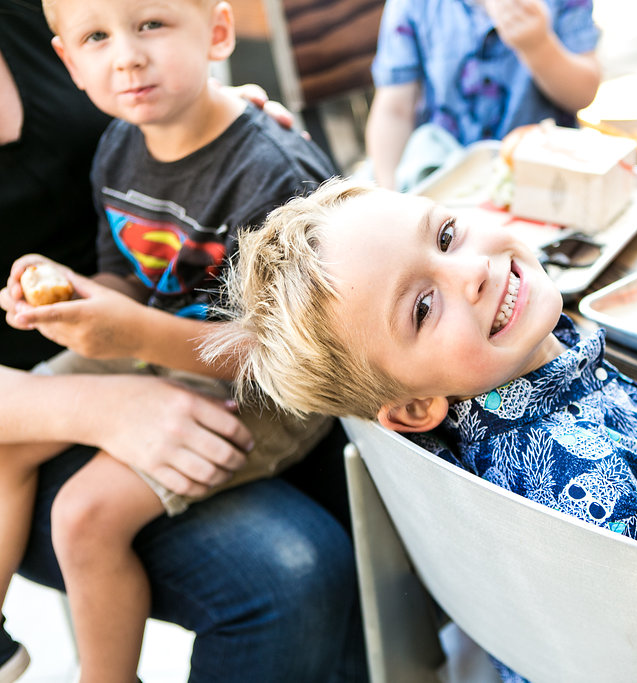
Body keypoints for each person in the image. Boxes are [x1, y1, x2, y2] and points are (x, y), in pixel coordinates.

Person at [205, 178, 637, 683]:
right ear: (412, 406)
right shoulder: (594, 478)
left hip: (553, 644)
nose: (469, 271)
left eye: (445, 236)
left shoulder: (488, 375)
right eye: (422, 306)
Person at [0, 1, 364, 681]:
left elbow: (293, 352)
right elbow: (127, 280)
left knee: (84, 514)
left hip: (269, 382)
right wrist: (76, 294)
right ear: (70, 61)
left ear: (218, 33)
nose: (128, 57)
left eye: (152, 26)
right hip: (163, 348)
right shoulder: (120, 145)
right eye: (98, 38)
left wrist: (125, 327)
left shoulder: (271, 172)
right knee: (10, 441)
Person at [365, 0, 601, 191]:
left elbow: (583, 94)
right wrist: (388, 189)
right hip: (450, 182)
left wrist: (538, 46)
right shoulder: (412, 6)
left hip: (551, 177)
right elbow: (393, 110)